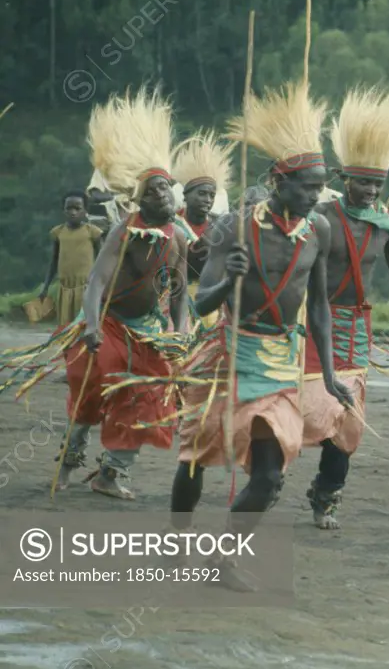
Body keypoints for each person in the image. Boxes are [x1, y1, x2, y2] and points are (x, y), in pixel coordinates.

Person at [140, 81, 353, 589]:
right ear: (279, 180)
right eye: (306, 187)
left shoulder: (318, 231)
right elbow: (200, 301)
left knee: (269, 478)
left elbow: (319, 305)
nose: (315, 196)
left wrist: (325, 371)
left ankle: (222, 558)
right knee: (195, 461)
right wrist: (227, 278)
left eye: (320, 187)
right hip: (228, 356)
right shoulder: (233, 228)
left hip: (280, 362)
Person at [1, 87, 190, 499]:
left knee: (148, 400)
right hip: (107, 324)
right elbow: (96, 283)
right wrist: (90, 326)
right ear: (140, 198)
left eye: (166, 188)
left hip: (147, 333)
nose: (163, 195)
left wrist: (181, 335)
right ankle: (70, 459)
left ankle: (111, 473)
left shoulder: (177, 239)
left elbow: (179, 295)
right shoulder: (123, 232)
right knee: (88, 394)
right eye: (154, 190)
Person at [299, 85, 389, 528]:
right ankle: (268, 475)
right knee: (307, 407)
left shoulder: (385, 225)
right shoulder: (318, 217)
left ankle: (327, 493)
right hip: (311, 322)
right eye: (363, 181)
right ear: (343, 180)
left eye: (377, 182)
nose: (371, 190)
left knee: (346, 417)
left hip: (356, 328)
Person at [170, 130, 235, 333]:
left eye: (211, 195)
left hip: (211, 297)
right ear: (186, 196)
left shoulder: (220, 225)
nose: (207, 199)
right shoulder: (172, 226)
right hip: (176, 296)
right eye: (202, 194)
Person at [40, 190, 103, 328]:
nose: (73, 212)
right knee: (65, 327)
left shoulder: (92, 232)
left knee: (83, 326)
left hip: (86, 288)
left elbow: (102, 261)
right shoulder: (58, 232)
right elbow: (54, 261)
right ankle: (67, 350)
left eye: (77, 208)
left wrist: (102, 285)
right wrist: (45, 287)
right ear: (63, 210)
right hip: (65, 289)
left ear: (85, 210)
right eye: (69, 208)